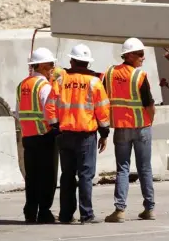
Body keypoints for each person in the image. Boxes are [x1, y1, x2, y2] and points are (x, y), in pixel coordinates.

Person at [45, 43, 111, 224]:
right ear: (88, 63)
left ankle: (66, 215)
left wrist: (55, 127)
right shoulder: (95, 82)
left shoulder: (60, 81)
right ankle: (86, 215)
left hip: (65, 134)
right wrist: (104, 133)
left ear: (72, 61)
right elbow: (103, 111)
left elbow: (49, 106)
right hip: (86, 136)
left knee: (67, 175)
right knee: (85, 175)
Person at [103, 38, 156, 223]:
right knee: (145, 169)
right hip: (141, 127)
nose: (143, 58)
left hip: (121, 129)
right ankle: (149, 209)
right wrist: (150, 121)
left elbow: (102, 97)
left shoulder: (109, 73)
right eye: (140, 54)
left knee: (123, 169)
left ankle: (119, 210)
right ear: (129, 55)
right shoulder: (139, 76)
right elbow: (149, 104)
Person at [16, 47, 59, 224]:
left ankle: (30, 211)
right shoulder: (44, 86)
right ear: (41, 65)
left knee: (32, 177)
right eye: (50, 64)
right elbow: (50, 112)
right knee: (48, 176)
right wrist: (57, 129)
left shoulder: (22, 85)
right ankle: (44, 212)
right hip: (45, 135)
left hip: (28, 137)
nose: (52, 68)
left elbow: (19, 113)